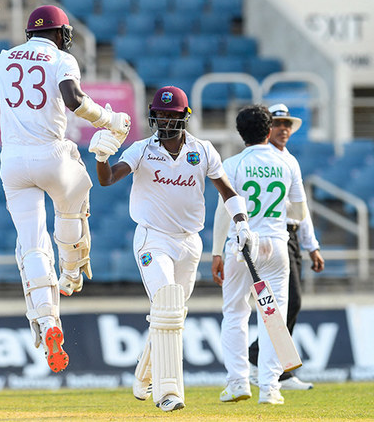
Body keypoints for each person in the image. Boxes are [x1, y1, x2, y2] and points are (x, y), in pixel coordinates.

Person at [0, 5, 131, 373]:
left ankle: (48, 323)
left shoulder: (3, 58)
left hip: (12, 164)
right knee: (72, 204)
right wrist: (111, 119)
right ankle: (72, 272)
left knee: (31, 245)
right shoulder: (62, 59)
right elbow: (75, 100)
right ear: (61, 33)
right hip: (52, 156)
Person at [89, 86, 259, 412]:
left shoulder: (203, 150)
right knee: (166, 304)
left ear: (184, 117)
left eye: (172, 114)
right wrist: (101, 157)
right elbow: (108, 179)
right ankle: (168, 393)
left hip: (189, 242)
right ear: (153, 116)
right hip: (153, 238)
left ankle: (143, 375)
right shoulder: (141, 149)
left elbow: (227, 190)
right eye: (161, 114)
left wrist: (241, 222)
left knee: (173, 316)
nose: (165, 120)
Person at [210, 104, 308, 405]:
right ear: (269, 131)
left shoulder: (233, 163)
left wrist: (216, 253)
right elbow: (300, 212)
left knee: (236, 313)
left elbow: (224, 212)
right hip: (277, 244)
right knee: (273, 316)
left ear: (241, 134)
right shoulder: (287, 164)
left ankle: (238, 382)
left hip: (241, 245)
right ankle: (270, 388)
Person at [242, 104, 324, 391]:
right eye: (278, 124)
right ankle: (267, 365)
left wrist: (311, 245)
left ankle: (272, 367)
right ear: (266, 128)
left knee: (289, 303)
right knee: (280, 303)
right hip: (267, 237)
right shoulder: (262, 161)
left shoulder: (288, 161)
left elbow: (301, 210)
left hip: (288, 236)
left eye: (287, 124)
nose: (284, 129)